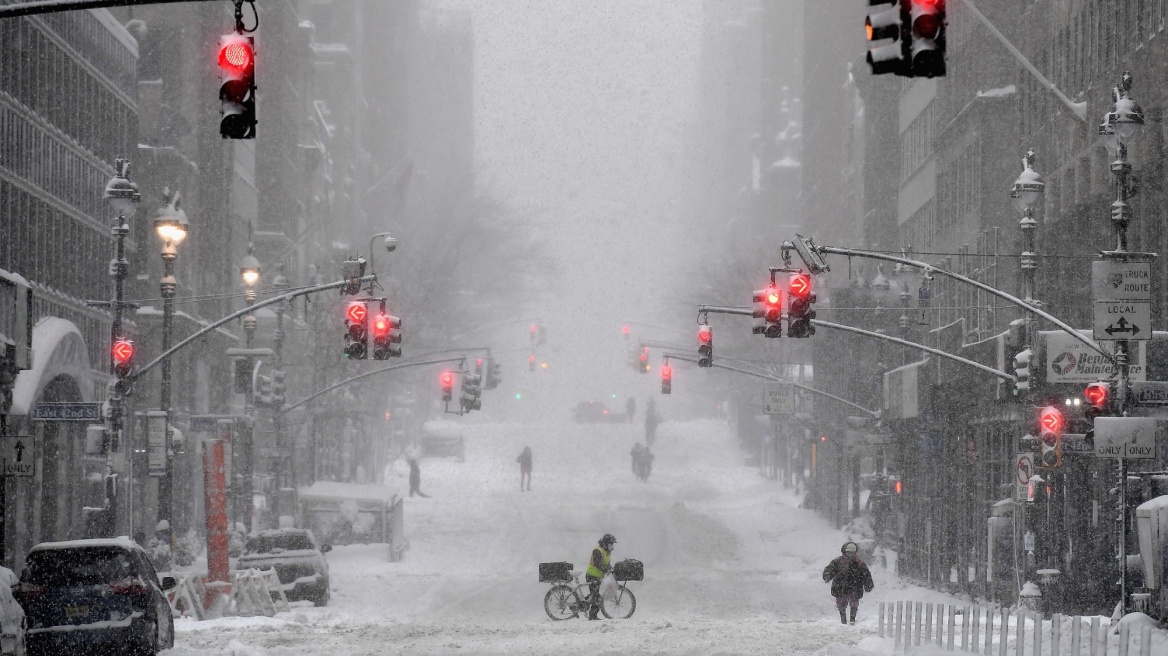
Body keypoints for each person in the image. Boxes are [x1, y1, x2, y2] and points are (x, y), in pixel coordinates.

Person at [822, 541, 874, 625]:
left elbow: (866, 574)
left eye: (852, 553)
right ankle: (843, 619)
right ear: (844, 551)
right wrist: (827, 575)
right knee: (841, 602)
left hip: (854, 586)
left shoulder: (859, 564)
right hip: (840, 586)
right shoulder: (837, 562)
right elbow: (830, 569)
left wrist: (868, 584)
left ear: (855, 552)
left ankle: (852, 619)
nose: (851, 554)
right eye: (849, 552)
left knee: (854, 602)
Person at [584, 533, 617, 620]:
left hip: (598, 576)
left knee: (596, 595)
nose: (612, 546)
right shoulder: (598, 550)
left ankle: (586, 605)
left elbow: (607, 564)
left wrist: (612, 570)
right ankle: (592, 614)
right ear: (606, 543)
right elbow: (597, 563)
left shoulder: (607, 552)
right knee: (597, 597)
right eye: (611, 544)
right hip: (592, 575)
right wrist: (606, 570)